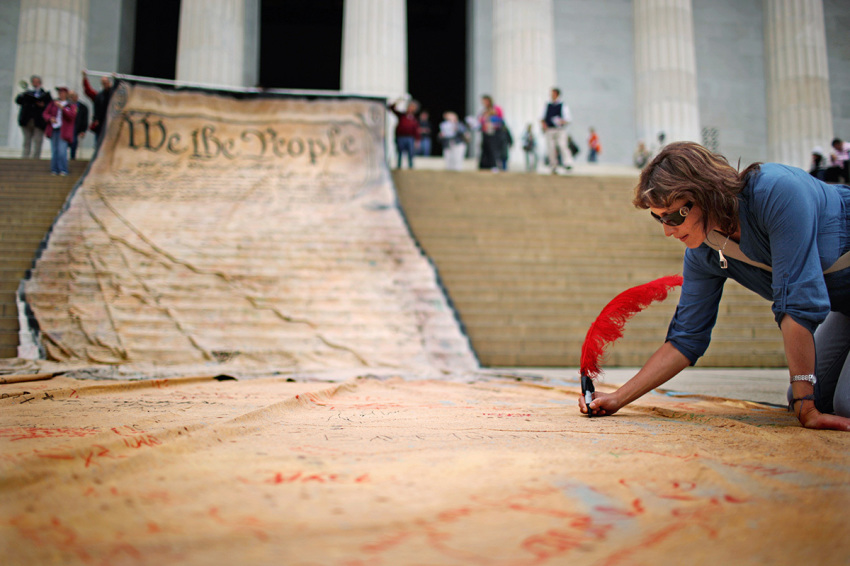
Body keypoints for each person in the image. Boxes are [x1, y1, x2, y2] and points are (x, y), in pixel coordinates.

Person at [579, 142, 850, 431]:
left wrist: (806, 407)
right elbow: (685, 339)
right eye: (658, 218)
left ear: (704, 194)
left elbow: (797, 305)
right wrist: (618, 398)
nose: (667, 231)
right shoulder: (704, 250)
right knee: (808, 394)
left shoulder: (777, 192)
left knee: (833, 401)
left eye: (672, 217)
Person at [42, 86, 77, 176]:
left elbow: (71, 116)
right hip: (54, 129)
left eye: (62, 92)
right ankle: (54, 169)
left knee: (62, 151)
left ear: (66, 94)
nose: (60, 94)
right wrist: (50, 118)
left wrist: (62, 108)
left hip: (64, 130)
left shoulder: (71, 105)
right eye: (59, 92)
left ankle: (63, 169)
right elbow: (45, 113)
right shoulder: (53, 103)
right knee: (55, 150)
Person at [15, 75, 51, 159]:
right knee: (27, 140)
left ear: (40, 83)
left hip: (38, 121)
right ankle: (25, 157)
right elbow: (18, 101)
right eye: (34, 82)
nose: (35, 83)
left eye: (37, 82)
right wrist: (22, 94)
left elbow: (50, 106)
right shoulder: (27, 93)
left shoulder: (45, 94)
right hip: (27, 120)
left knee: (38, 140)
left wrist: (43, 105)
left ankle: (36, 158)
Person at [540, 87, 573, 175]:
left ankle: (568, 163)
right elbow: (542, 118)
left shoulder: (563, 105)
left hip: (560, 129)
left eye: (553, 94)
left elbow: (568, 119)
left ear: (557, 94)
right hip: (550, 129)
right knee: (551, 148)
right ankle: (553, 165)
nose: (551, 95)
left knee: (562, 145)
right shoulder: (547, 105)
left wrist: (560, 121)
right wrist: (544, 126)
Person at [82, 71, 114, 149]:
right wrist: (84, 78)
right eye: (103, 83)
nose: (105, 84)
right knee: (98, 146)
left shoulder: (113, 95)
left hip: (110, 124)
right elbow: (88, 91)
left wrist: (115, 80)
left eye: (106, 82)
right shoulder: (99, 96)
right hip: (100, 126)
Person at [387, 97, 421, 169]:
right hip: (401, 137)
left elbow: (416, 130)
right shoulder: (402, 115)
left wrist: (417, 140)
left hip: (410, 138)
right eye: (410, 106)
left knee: (410, 153)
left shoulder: (414, 119)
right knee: (400, 152)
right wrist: (399, 100)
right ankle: (399, 166)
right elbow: (391, 108)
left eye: (413, 107)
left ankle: (410, 167)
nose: (410, 108)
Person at [478, 95, 505, 172]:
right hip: (485, 132)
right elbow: (481, 121)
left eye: (484, 101)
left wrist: (491, 121)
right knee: (485, 149)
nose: (483, 103)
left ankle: (494, 165)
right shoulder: (483, 110)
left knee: (493, 149)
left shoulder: (496, 109)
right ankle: (485, 166)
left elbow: (501, 121)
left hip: (494, 133)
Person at [68, 90, 89, 160]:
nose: (71, 98)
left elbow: (85, 120)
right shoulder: (66, 106)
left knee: (74, 142)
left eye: (73, 96)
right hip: (67, 127)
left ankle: (72, 157)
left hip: (76, 127)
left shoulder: (83, 107)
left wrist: (83, 130)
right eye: (70, 96)